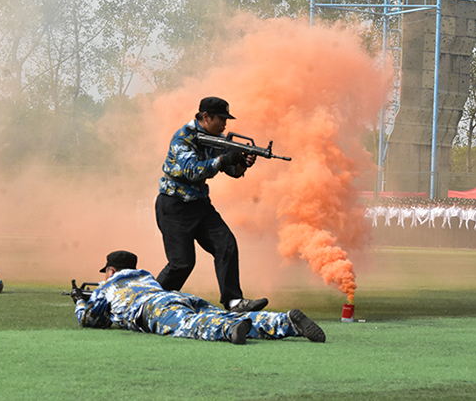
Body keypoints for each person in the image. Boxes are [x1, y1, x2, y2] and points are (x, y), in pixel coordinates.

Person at [155, 96, 267, 313]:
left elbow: (232, 171)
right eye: (221, 118)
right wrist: (222, 160)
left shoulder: (217, 139)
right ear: (206, 116)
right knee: (181, 264)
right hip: (174, 205)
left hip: (199, 204)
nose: (225, 124)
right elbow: (192, 171)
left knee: (226, 244)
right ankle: (149, 304)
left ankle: (234, 302)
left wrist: (242, 164)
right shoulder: (183, 138)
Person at [72, 251, 326, 344]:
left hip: (152, 309)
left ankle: (228, 329)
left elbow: (90, 319)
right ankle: (287, 321)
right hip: (177, 297)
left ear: (111, 270)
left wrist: (80, 301)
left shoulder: (108, 286)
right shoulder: (145, 276)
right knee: (219, 314)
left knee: (191, 326)